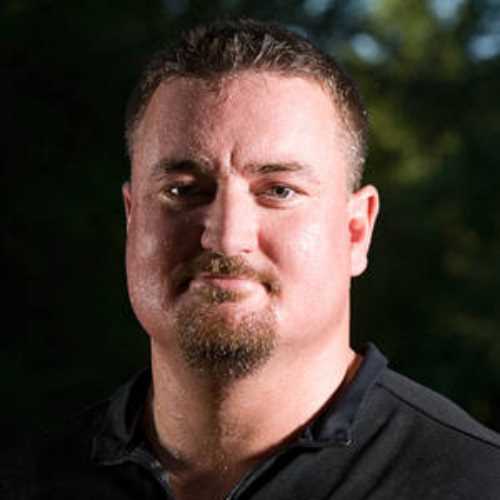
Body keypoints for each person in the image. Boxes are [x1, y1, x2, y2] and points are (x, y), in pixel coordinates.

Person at [4, 17, 500, 500]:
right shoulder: (27, 480)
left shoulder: (475, 483)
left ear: (356, 231)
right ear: (133, 220)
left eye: (279, 190)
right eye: (183, 190)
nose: (225, 237)